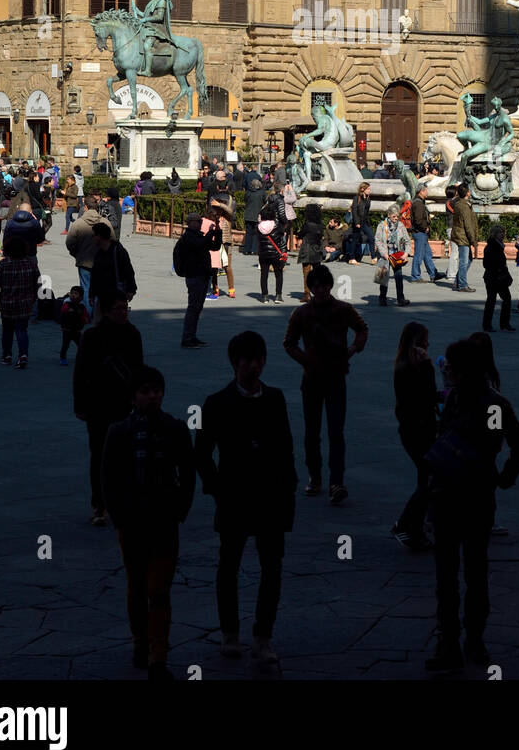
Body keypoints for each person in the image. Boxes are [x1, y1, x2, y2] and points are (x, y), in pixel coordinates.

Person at [425, 337, 519, 672]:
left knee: (458, 573)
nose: (447, 370)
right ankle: (465, 641)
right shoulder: (471, 399)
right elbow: (510, 445)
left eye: (452, 367)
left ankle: (458, 641)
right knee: (469, 571)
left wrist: (499, 473)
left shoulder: (486, 404)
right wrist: (503, 476)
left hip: (462, 495)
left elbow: (504, 442)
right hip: (468, 495)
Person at [195, 331, 297, 665]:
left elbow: (285, 447)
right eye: (248, 360)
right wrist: (217, 488)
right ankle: (230, 634)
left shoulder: (275, 399)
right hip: (235, 496)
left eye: (259, 359)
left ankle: (263, 636)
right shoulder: (217, 403)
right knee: (229, 566)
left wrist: (288, 489)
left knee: (272, 569)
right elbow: (202, 453)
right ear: (235, 363)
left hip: (270, 496)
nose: (255, 366)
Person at [102, 365, 196, 681]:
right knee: (136, 586)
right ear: (133, 397)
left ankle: (158, 654)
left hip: (163, 520)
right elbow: (108, 478)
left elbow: (187, 473)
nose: (152, 396)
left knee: (159, 589)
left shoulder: (175, 429)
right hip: (131, 522)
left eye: (156, 390)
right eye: (145, 391)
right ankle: (140, 641)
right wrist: (117, 515)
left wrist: (180, 509)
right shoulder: (118, 432)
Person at [283, 264, 369, 505]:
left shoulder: (343, 309)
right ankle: (315, 476)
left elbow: (362, 329)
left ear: (330, 286)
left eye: (324, 286)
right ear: (310, 288)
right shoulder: (301, 314)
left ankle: (336, 481)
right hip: (311, 378)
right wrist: (306, 360)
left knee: (335, 432)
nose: (320, 290)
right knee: (312, 433)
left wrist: (353, 348)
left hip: (336, 376)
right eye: (315, 287)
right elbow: (288, 343)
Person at [73, 296, 144, 525]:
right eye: (118, 308)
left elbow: (139, 369)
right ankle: (100, 505)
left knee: (127, 456)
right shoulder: (92, 337)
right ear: (105, 311)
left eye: (126, 308)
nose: (123, 312)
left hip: (125, 404)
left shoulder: (133, 334)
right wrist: (80, 404)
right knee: (100, 457)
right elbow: (81, 372)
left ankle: (124, 501)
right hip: (98, 406)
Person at [391, 322, 437, 551]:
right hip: (420, 431)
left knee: (425, 479)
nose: (428, 344)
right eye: (424, 340)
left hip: (411, 429)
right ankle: (405, 524)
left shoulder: (402, 365)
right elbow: (426, 395)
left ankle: (415, 530)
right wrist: (429, 366)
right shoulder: (417, 366)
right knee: (428, 481)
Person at [0, 237, 39, 369]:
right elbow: (38, 282)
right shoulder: (30, 263)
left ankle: (7, 355)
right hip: (25, 303)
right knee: (22, 330)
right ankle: (23, 355)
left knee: (7, 330)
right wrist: (35, 298)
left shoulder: (4, 264)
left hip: (7, 303)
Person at [173, 212, 222, 348]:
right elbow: (200, 244)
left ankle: (192, 336)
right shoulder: (188, 237)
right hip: (194, 275)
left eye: (201, 221)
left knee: (197, 308)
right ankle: (187, 338)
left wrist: (218, 232)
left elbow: (215, 246)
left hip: (202, 274)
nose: (200, 223)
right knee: (193, 308)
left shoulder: (198, 236)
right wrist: (210, 233)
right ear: (190, 223)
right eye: (198, 221)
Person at [66, 195, 110, 317]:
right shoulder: (105, 222)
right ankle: (98, 314)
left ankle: (87, 315)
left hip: (84, 262)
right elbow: (112, 240)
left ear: (85, 207)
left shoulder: (78, 223)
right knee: (100, 288)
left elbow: (69, 243)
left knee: (86, 289)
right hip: (102, 262)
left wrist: (76, 254)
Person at [90, 222, 137, 320]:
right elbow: (94, 276)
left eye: (93, 236)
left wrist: (131, 290)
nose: (92, 238)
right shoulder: (99, 253)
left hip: (116, 297)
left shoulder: (118, 251)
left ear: (99, 236)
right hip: (102, 298)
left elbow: (128, 271)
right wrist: (91, 295)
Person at [375, 204, 411, 308]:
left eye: (397, 216)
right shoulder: (382, 225)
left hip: (396, 255)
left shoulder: (400, 225)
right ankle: (382, 298)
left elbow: (407, 240)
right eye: (393, 216)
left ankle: (401, 299)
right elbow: (377, 240)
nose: (396, 219)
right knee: (383, 277)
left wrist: (406, 253)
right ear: (389, 215)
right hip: (385, 254)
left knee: (399, 277)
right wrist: (383, 253)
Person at [408, 184, 444, 285]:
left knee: (427, 254)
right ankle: (415, 276)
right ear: (422, 191)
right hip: (420, 232)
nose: (427, 192)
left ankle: (433, 274)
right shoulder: (418, 203)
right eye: (426, 191)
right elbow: (419, 220)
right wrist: (425, 228)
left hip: (421, 232)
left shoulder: (419, 202)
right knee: (418, 255)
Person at [257, 194, 288, 304]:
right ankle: (278, 296)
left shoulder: (258, 227)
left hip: (263, 254)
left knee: (264, 275)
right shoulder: (277, 226)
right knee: (278, 274)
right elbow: (281, 240)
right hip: (275, 253)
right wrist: (284, 252)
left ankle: (265, 296)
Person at [483, 223, 514, 331]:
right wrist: (499, 269)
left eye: (503, 232)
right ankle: (488, 325)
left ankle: (504, 323)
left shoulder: (499, 245)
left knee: (506, 299)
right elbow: (486, 264)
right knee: (492, 300)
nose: (503, 235)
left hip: (499, 277)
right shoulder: (491, 247)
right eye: (500, 233)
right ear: (494, 234)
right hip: (493, 277)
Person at [208, 184, 236, 301]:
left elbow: (230, 212)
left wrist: (219, 204)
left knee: (222, 265)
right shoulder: (229, 201)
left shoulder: (215, 202)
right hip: (221, 238)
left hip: (222, 238)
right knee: (220, 266)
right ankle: (223, 289)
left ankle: (224, 290)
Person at [450, 184, 479, 292]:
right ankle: (462, 284)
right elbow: (468, 225)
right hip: (464, 237)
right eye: (469, 191)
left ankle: (458, 281)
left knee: (468, 259)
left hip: (460, 235)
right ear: (467, 193)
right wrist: (473, 240)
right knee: (464, 261)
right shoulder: (464, 206)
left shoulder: (459, 204)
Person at [297, 204, 325, 301]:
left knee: (307, 273)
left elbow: (301, 233)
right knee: (317, 273)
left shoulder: (307, 225)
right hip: (317, 249)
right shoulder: (321, 225)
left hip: (307, 249)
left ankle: (307, 294)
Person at [58, 284, 88, 365]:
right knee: (65, 345)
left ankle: (83, 357)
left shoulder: (82, 305)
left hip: (77, 329)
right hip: (67, 329)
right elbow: (63, 311)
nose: (73, 295)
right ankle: (62, 357)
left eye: (76, 294)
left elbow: (84, 314)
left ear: (81, 297)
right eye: (72, 293)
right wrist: (68, 311)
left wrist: (85, 319)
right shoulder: (67, 303)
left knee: (81, 344)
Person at [348, 182, 376, 263]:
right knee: (355, 239)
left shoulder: (368, 199)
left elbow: (366, 210)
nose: (369, 191)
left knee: (371, 237)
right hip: (358, 223)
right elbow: (354, 211)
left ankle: (373, 257)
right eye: (368, 189)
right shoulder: (356, 198)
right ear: (362, 189)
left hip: (365, 222)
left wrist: (365, 198)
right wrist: (356, 222)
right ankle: (351, 258)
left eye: (369, 189)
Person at [242, 176, 265, 256]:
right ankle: (254, 250)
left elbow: (245, 200)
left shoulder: (248, 192)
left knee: (248, 233)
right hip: (257, 215)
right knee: (256, 233)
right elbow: (264, 201)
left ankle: (247, 249)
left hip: (248, 214)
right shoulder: (262, 193)